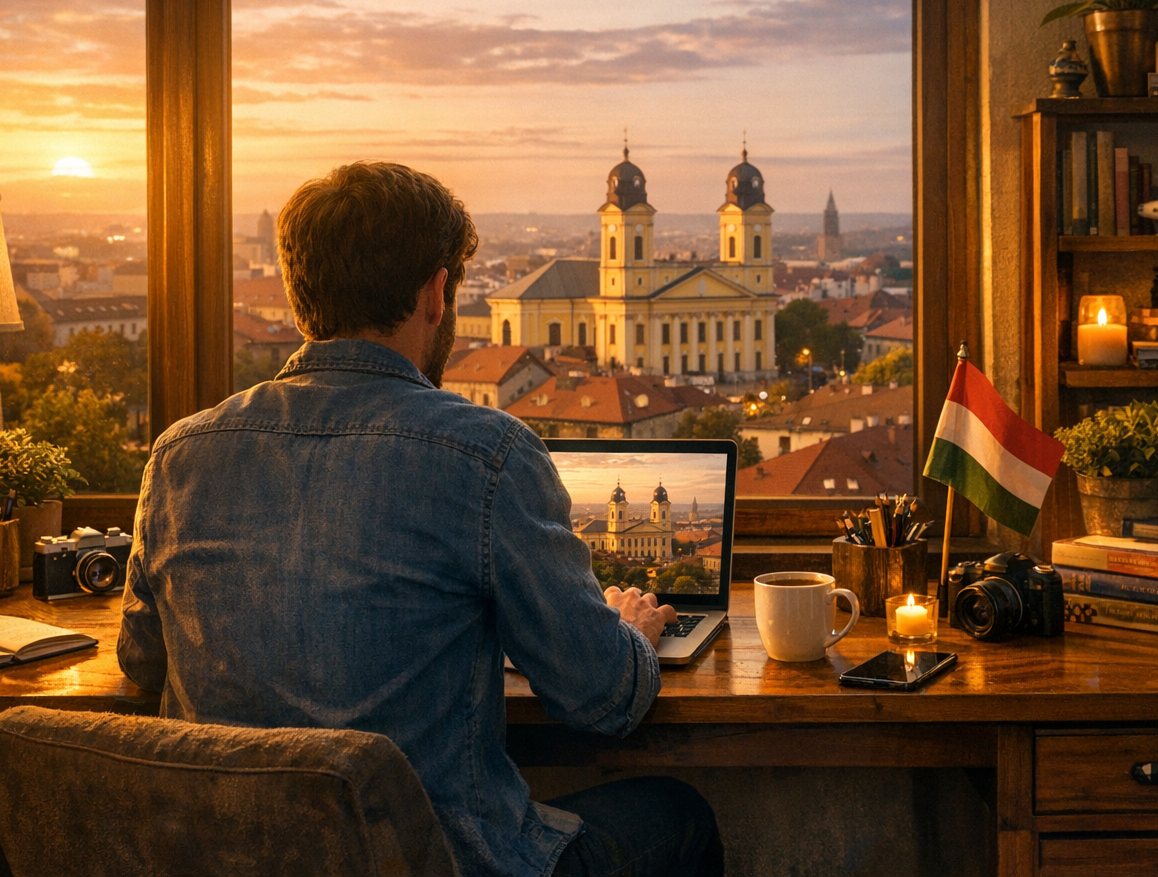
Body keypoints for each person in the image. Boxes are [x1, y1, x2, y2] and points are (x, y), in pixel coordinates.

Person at [118, 162, 723, 877]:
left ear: (298, 292)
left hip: (232, 859)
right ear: (436, 294)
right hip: (437, 861)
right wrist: (629, 635)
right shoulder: (488, 453)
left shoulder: (180, 454)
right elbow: (602, 699)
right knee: (679, 814)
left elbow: (142, 660)